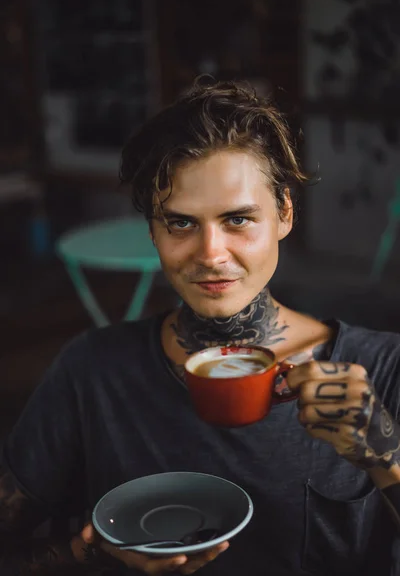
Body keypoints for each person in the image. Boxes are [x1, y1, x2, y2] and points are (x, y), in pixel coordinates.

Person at [1, 79, 400, 576]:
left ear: (285, 214)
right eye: (181, 224)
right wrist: (94, 556)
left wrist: (386, 458)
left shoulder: (382, 370)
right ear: (153, 231)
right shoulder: (92, 372)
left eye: (237, 220)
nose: (211, 254)